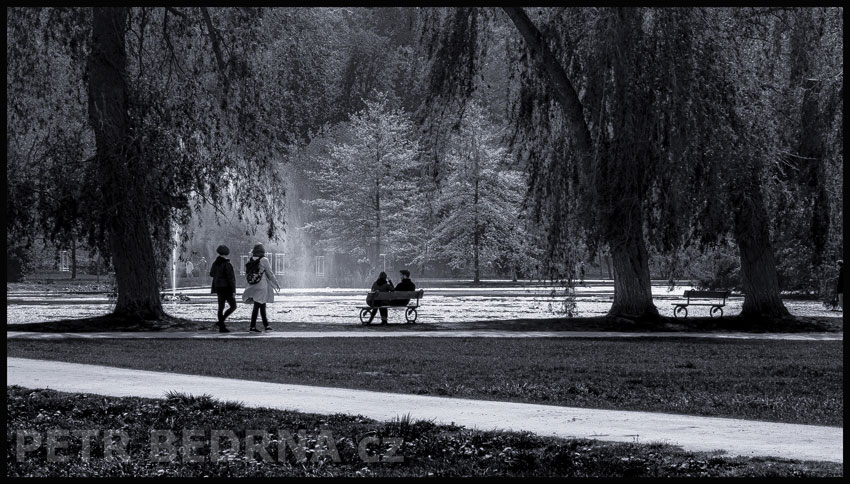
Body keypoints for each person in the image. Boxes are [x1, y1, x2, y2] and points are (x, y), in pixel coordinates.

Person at [242, 243, 281, 332]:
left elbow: (247, 273)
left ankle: (266, 325)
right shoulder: (264, 260)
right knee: (257, 305)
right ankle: (252, 327)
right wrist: (276, 283)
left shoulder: (250, 259)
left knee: (262, 304)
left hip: (252, 285)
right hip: (261, 285)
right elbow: (269, 273)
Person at [209, 245, 236, 333]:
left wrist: (218, 277)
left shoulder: (215, 263)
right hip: (227, 287)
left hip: (218, 287)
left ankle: (221, 325)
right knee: (233, 306)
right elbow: (231, 278)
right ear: (227, 253)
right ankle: (221, 323)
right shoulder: (227, 264)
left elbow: (211, 274)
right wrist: (233, 290)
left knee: (221, 307)